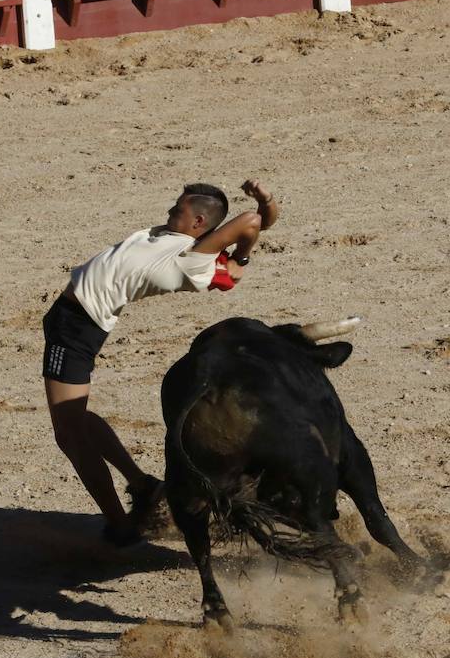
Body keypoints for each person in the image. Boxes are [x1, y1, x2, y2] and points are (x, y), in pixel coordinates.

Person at [43, 180, 281, 546]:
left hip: (76, 328)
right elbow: (257, 221)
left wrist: (240, 258)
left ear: (199, 221)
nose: (170, 211)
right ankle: (141, 484)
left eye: (178, 208)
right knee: (75, 419)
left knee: (68, 435)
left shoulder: (193, 259)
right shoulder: (185, 242)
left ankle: (120, 524)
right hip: (75, 322)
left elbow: (248, 220)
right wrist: (264, 204)